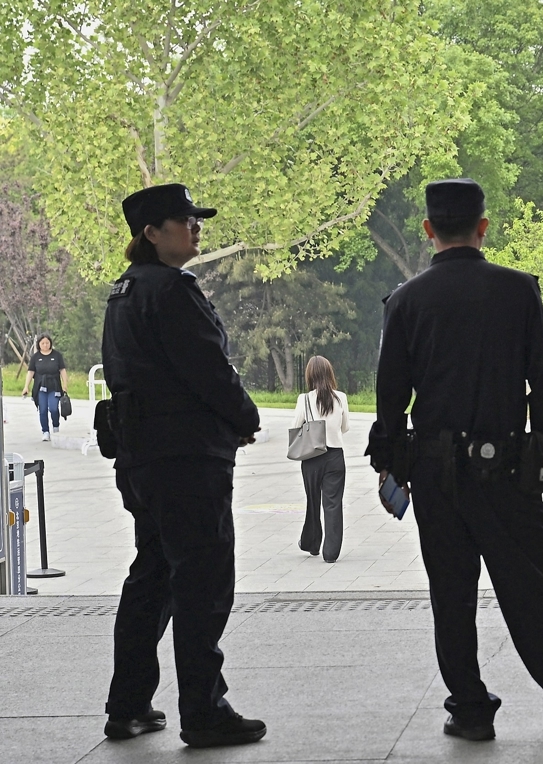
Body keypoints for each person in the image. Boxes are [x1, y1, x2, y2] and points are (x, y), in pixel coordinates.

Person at [368, 178, 543, 741]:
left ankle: (468, 708)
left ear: (427, 230)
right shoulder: (517, 291)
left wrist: (389, 460)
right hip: (507, 468)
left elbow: (390, 397)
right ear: (484, 228)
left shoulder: (405, 302)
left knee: (451, 594)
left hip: (436, 472)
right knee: (532, 587)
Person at [99, 184, 266, 748]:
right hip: (187, 460)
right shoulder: (172, 290)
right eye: (183, 221)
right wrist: (245, 416)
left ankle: (129, 704)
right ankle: (203, 709)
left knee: (152, 577)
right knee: (201, 582)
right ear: (151, 233)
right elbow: (207, 368)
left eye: (196, 219)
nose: (195, 228)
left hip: (144, 458)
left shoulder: (125, 292)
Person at [292, 355, 350, 563]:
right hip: (335, 456)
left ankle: (312, 543)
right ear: (329, 373)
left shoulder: (304, 399)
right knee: (333, 504)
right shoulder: (341, 397)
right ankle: (331, 552)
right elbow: (345, 427)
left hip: (312, 457)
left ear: (310, 375)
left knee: (313, 500)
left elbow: (297, 424)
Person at [21, 333, 68, 441]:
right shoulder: (35, 357)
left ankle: (56, 427)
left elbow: (62, 370)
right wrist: (26, 387)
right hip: (40, 386)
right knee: (42, 410)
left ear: (50, 343)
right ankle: (45, 431)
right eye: (43, 343)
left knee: (53, 409)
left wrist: (65, 384)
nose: (45, 345)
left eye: (47, 343)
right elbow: (31, 372)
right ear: (39, 344)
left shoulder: (57, 355)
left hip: (54, 386)